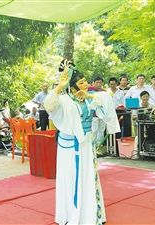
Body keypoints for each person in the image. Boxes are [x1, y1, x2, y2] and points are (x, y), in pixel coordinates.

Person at [44, 59, 120, 225]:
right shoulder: (64, 100)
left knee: (88, 176)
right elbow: (48, 105)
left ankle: (90, 213)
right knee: (72, 176)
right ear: (72, 87)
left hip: (86, 144)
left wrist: (90, 95)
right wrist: (59, 86)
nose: (85, 84)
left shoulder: (87, 99)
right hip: (70, 147)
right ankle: (72, 214)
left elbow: (107, 102)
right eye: (81, 82)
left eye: (85, 81)